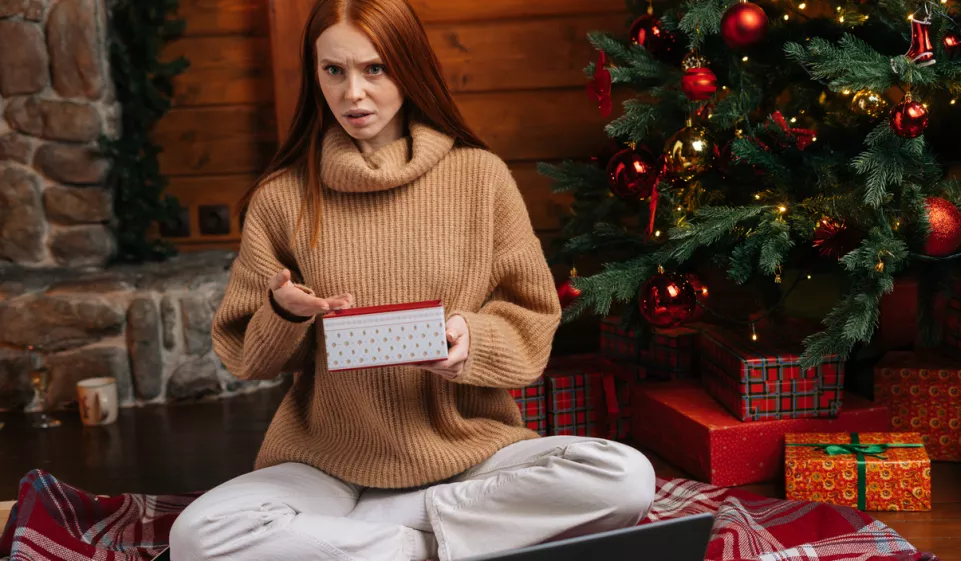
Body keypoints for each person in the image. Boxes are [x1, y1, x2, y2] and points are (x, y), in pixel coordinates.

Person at [168, 0, 656, 559]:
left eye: (374, 68)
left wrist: (470, 341)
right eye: (334, 70)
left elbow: (533, 318)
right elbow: (246, 359)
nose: (353, 93)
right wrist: (285, 314)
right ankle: (436, 541)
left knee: (625, 476)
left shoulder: (480, 177)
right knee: (196, 538)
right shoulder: (282, 197)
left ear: (409, 65)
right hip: (326, 463)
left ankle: (374, 534)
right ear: (316, 74)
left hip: (471, 453)